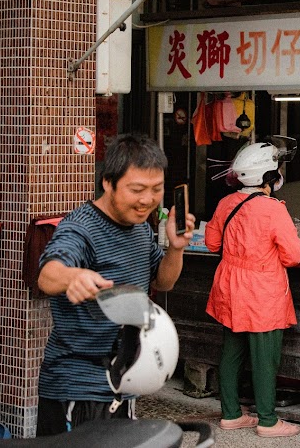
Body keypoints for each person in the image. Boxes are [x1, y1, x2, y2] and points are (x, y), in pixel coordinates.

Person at [35, 133, 196, 435]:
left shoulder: (139, 227)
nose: (147, 199)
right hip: (78, 389)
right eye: (137, 190)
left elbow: (163, 282)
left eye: (156, 189)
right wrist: (74, 276)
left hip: (124, 381)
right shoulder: (80, 228)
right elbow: (47, 273)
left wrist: (176, 248)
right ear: (108, 182)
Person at [205, 139, 300, 438]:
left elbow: (212, 244)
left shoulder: (225, 204)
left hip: (229, 285)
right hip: (262, 290)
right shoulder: (273, 210)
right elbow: (293, 256)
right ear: (268, 178)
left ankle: (231, 414)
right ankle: (268, 421)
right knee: (264, 357)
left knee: (232, 351)